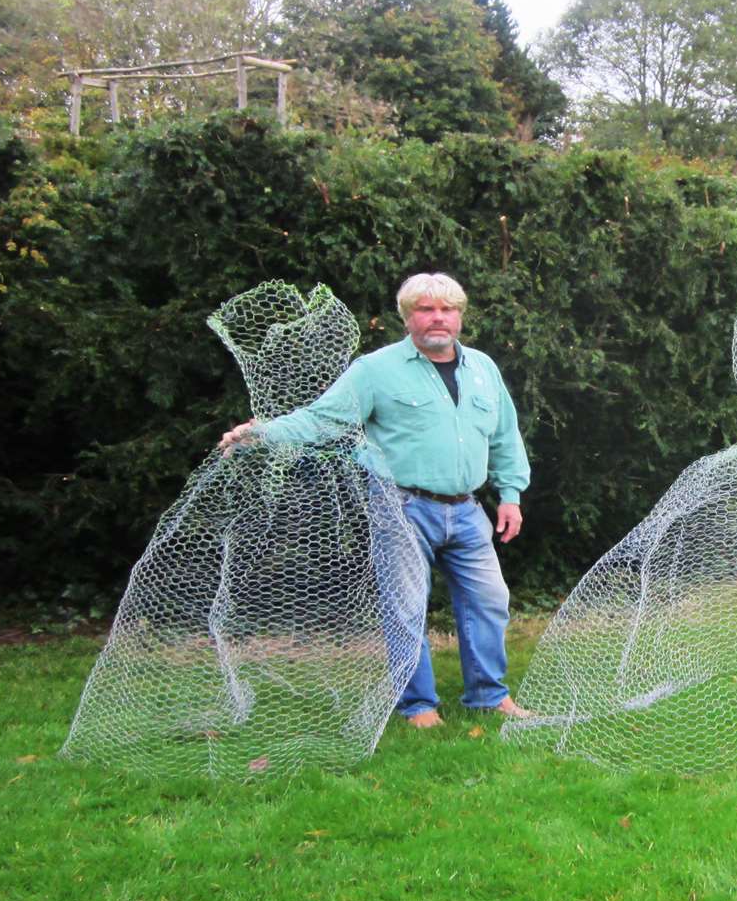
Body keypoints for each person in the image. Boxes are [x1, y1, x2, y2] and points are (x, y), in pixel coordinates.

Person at [219, 272, 532, 729]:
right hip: (401, 507)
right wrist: (262, 431)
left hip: (468, 509)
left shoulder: (483, 368)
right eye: (425, 309)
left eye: (447, 309)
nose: (437, 318)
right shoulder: (375, 370)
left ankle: (488, 696)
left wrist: (510, 496)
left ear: (460, 316)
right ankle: (418, 706)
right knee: (405, 607)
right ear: (407, 318)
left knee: (489, 600)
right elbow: (323, 420)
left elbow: (506, 437)